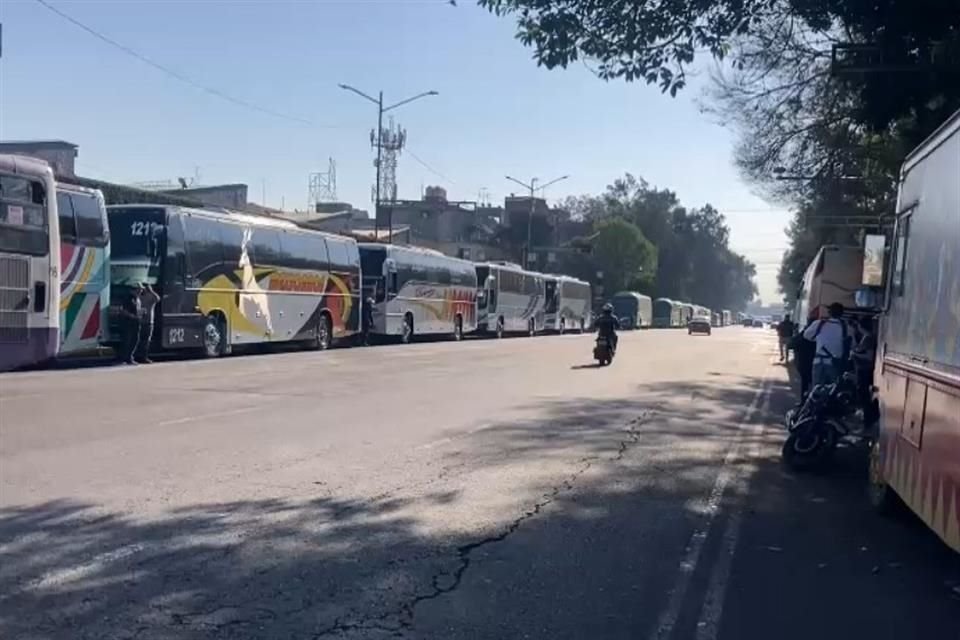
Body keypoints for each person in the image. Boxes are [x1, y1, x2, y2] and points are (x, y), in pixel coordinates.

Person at [803, 302, 849, 388]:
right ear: (842, 314)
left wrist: (818, 339)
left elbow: (806, 335)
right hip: (835, 363)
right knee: (834, 390)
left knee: (816, 390)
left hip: (818, 361)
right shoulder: (845, 326)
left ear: (829, 312)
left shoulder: (819, 323)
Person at [790, 317, 816, 399]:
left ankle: (804, 400)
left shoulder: (804, 334)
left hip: (804, 362)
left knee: (805, 383)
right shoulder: (820, 334)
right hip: (814, 362)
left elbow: (791, 345)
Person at [118, 283, 143, 365]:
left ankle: (129, 357)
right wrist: (131, 315)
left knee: (135, 340)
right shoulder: (128, 298)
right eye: (140, 289)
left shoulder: (137, 299)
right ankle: (123, 358)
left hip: (136, 322)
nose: (141, 291)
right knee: (127, 340)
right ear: (135, 289)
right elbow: (122, 309)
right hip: (127, 323)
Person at [136, 283, 160, 364]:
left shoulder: (150, 297)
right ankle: (138, 356)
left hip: (149, 322)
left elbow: (157, 299)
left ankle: (144, 356)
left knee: (146, 341)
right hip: (140, 321)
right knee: (139, 340)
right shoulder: (138, 297)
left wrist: (152, 291)